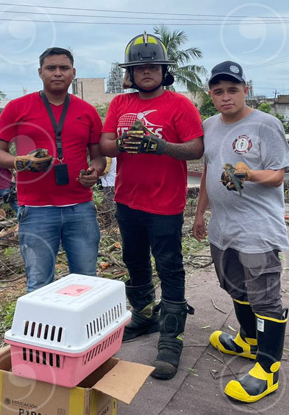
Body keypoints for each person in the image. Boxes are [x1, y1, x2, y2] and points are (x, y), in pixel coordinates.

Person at [100, 32, 204, 380]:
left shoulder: (180, 105)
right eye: (139, 68)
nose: (146, 71)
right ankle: (144, 317)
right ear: (130, 73)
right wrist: (124, 144)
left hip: (165, 203)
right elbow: (105, 144)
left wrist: (160, 146)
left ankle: (171, 338)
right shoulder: (120, 104)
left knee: (170, 266)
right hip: (127, 199)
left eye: (153, 67)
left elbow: (196, 149)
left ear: (164, 71)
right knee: (134, 261)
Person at [193, 61, 289, 403]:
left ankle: (268, 368)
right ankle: (248, 341)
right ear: (211, 95)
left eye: (232, 90)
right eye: (218, 91)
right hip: (222, 227)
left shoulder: (266, 124)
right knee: (234, 285)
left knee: (264, 296)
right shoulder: (209, 125)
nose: (226, 97)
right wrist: (200, 213)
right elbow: (208, 170)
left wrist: (248, 174)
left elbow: (277, 175)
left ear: (245, 90)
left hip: (257, 229)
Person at [0, 47, 104, 292]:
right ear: (40, 72)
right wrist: (22, 162)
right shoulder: (17, 107)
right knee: (39, 283)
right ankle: (44, 320)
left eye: (64, 68)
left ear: (73, 73)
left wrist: (94, 172)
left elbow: (98, 158)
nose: (57, 73)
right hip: (35, 210)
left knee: (86, 281)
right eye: (51, 68)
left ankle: (81, 320)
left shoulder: (88, 111)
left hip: (80, 208)